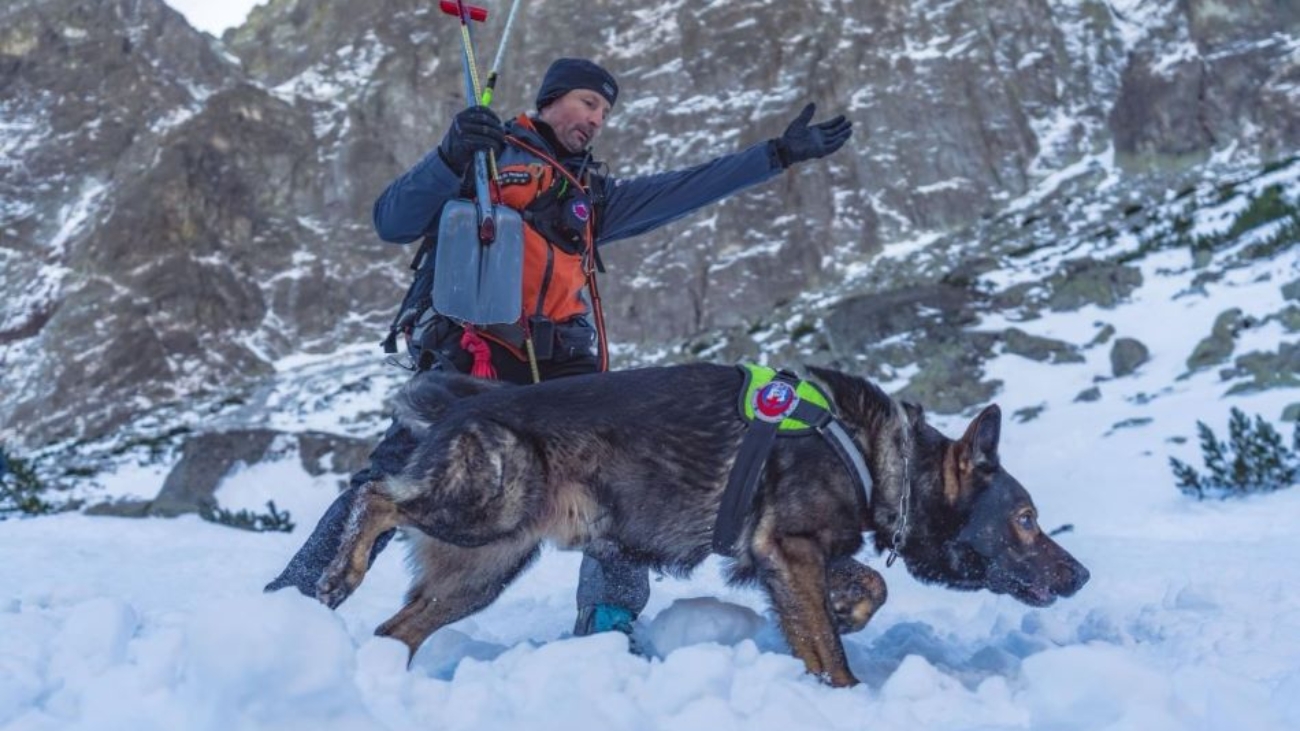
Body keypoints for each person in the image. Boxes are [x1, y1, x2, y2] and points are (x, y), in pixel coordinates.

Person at [267, 58, 853, 644]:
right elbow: (392, 221)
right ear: (549, 101)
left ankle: (608, 619)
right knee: (394, 475)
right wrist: (449, 155)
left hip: (563, 374)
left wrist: (777, 154)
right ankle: (293, 606)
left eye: (604, 111)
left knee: (623, 479)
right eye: (587, 103)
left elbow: (683, 188)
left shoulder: (591, 198)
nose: (596, 119)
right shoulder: (482, 158)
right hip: (472, 360)